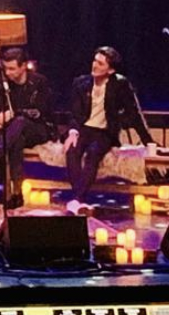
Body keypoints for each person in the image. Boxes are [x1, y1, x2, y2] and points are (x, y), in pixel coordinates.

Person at [62, 47, 150, 214]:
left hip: (104, 132)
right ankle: (79, 199)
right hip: (84, 129)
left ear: (110, 70)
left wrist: (148, 141)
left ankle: (77, 199)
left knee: (93, 153)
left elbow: (133, 114)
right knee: (72, 150)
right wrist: (72, 132)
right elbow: (74, 113)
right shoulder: (80, 83)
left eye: (100, 63)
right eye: (95, 61)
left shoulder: (120, 85)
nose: (94, 65)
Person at [0, 47, 53, 208]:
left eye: (12, 69)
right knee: (16, 140)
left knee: (19, 122)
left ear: (23, 66)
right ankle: (17, 194)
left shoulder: (39, 82)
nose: (8, 73)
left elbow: (39, 112)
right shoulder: (3, 84)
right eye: (6, 68)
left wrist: (12, 113)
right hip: (15, 133)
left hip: (39, 129)